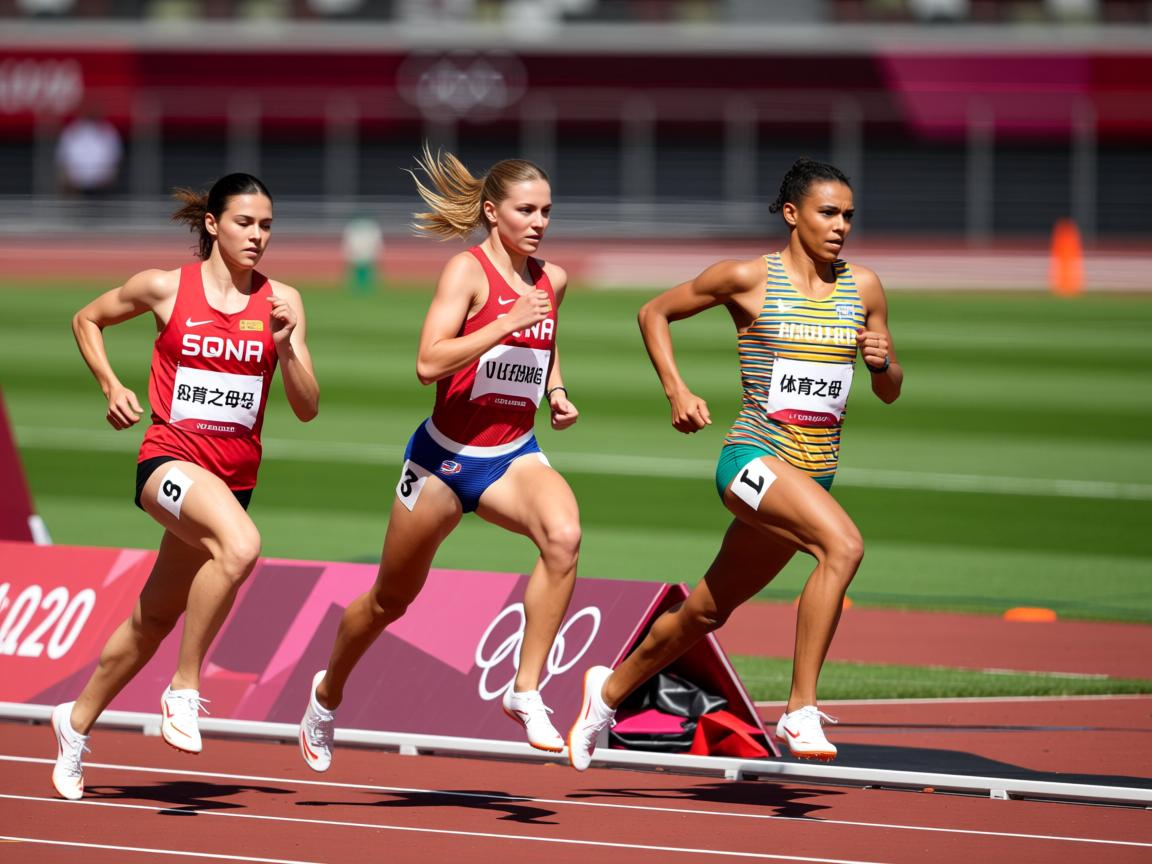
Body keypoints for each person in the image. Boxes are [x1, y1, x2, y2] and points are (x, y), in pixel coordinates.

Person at [567, 157, 903, 769]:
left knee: (707, 609)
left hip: (815, 471)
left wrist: (882, 363)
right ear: (792, 213)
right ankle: (800, 708)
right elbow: (654, 312)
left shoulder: (866, 288)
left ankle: (605, 693)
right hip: (752, 459)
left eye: (849, 215)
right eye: (828, 213)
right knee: (843, 547)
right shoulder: (747, 278)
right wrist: (677, 389)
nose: (841, 226)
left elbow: (888, 391)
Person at [298, 147, 581, 771]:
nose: (539, 222)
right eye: (526, 210)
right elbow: (429, 362)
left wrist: (556, 391)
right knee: (388, 601)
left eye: (547, 212)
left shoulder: (551, 280)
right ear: (492, 212)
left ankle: (526, 690)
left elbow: (545, 342)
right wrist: (504, 324)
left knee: (563, 537)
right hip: (443, 462)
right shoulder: (467, 272)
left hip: (513, 455)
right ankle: (326, 693)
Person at [50, 173, 320, 800]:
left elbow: (306, 407)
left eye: (267, 225)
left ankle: (74, 722)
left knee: (154, 616)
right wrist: (112, 386)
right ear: (212, 225)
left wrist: (285, 351)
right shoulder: (166, 288)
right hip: (167, 462)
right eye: (245, 223)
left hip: (231, 480)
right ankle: (186, 688)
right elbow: (86, 319)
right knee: (243, 546)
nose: (258, 236)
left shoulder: (284, 302)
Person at [55, 104, 123, 199]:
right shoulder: (72, 130)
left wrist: (109, 179)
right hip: (76, 186)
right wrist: (66, 180)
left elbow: (115, 159)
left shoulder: (108, 131)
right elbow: (63, 158)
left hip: (101, 186)